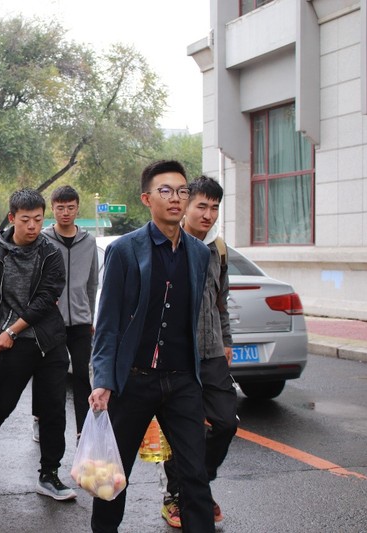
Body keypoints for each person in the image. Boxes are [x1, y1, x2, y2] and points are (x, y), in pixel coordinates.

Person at [88, 160, 214, 533]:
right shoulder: (124, 250)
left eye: (182, 191)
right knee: (112, 474)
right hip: (134, 379)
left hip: (182, 381)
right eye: (166, 191)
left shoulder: (199, 253)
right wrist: (103, 379)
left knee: (194, 474)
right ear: (147, 198)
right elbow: (108, 322)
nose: (176, 198)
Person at [0, 188, 76, 502]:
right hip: (11, 345)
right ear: (12, 218)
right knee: (2, 403)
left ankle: (49, 474)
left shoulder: (49, 252)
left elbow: (46, 298)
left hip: (48, 340)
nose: (33, 226)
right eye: (26, 220)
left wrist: (11, 330)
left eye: (38, 219)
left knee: (53, 408)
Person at [159, 176, 237, 528]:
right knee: (182, 431)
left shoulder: (218, 250)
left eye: (214, 208)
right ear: (186, 206)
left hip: (211, 353)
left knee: (225, 423)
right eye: (201, 206)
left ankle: (196, 486)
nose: (208, 214)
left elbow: (221, 302)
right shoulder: (170, 245)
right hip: (177, 356)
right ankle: (178, 494)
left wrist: (226, 341)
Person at [41, 185, 98, 443]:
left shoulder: (89, 241)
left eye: (71, 208)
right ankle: (42, 422)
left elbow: (92, 283)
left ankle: (82, 431)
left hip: (81, 321)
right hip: (51, 321)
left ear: (77, 208)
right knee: (51, 376)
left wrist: (91, 315)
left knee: (82, 376)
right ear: (52, 209)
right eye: (60, 208)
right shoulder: (43, 240)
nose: (66, 213)